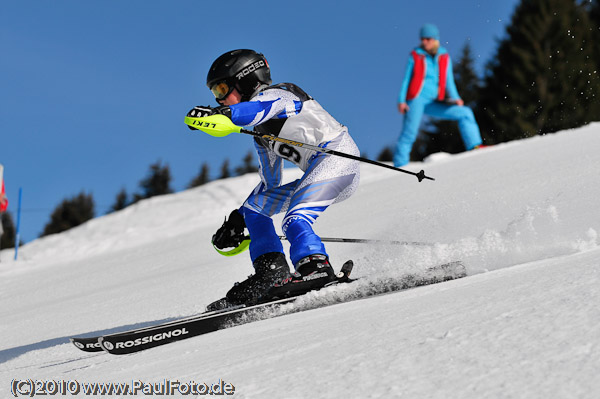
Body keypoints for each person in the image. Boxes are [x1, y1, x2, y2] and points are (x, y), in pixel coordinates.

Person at [186, 49, 360, 306]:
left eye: (222, 90)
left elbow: (257, 109)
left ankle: (316, 268)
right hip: (317, 172)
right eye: (216, 94)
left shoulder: (282, 93)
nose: (221, 99)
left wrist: (221, 115)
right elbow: (270, 183)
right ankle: (271, 273)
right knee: (256, 209)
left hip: (340, 162)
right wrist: (239, 218)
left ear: (245, 80)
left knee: (295, 218)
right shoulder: (261, 134)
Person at [394, 23, 483, 167]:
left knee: (465, 112)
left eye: (427, 39)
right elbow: (406, 79)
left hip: (434, 101)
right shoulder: (416, 55)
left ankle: (475, 146)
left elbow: (449, 80)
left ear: (435, 39)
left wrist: (456, 98)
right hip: (416, 99)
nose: (424, 42)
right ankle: (400, 164)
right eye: (422, 39)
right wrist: (401, 100)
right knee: (409, 133)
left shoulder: (444, 56)